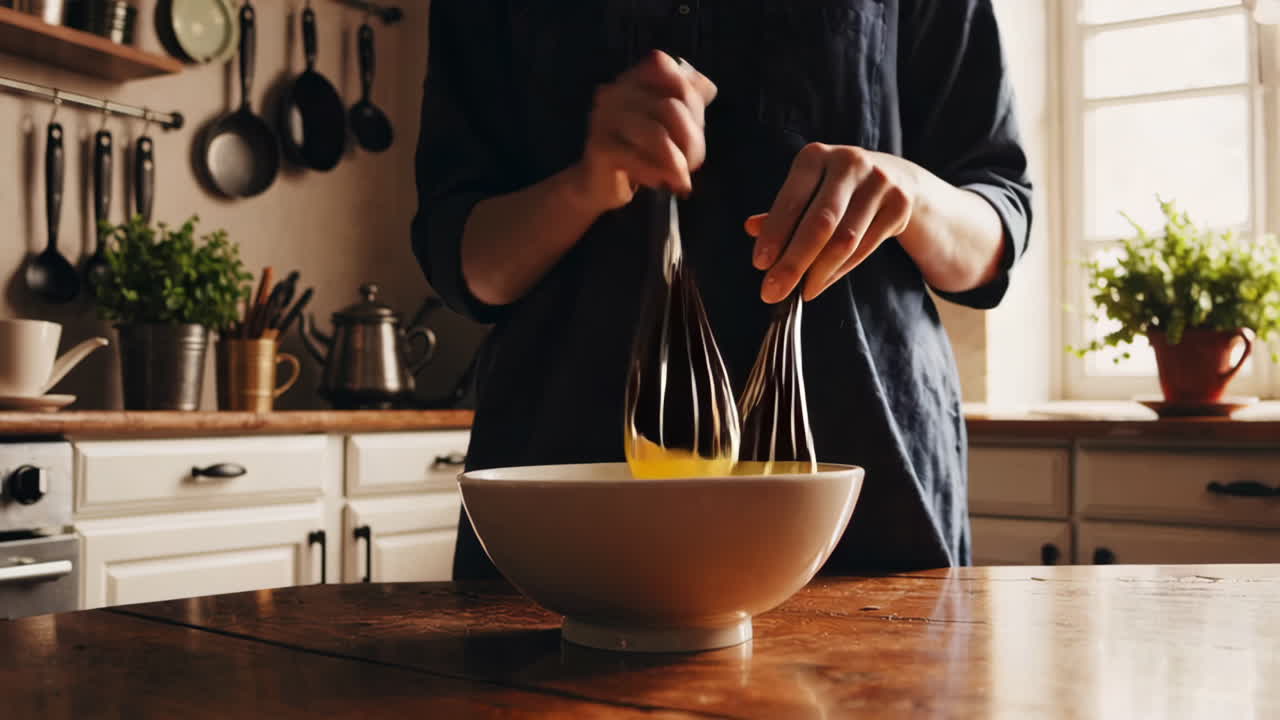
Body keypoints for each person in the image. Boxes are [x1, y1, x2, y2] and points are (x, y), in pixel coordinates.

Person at [413, 1, 1032, 580]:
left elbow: (995, 232)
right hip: (563, 490)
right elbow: (466, 264)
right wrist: (584, 185)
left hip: (870, 494)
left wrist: (913, 194)